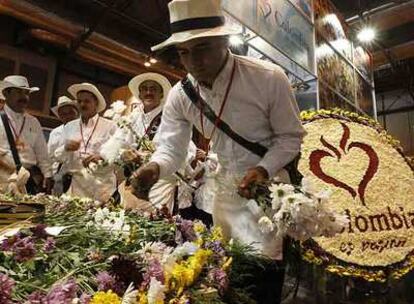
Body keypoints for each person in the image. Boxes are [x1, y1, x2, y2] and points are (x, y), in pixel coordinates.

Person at [129, 0, 305, 303]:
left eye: (202, 48)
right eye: (184, 52)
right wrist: (154, 168)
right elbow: (171, 147)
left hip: (268, 191)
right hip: (224, 193)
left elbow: (290, 138)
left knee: (263, 274)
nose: (193, 61)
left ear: (224, 40)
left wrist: (263, 169)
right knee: (227, 274)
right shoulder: (180, 95)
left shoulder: (267, 77)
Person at [54, 83, 116, 202]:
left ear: (96, 103)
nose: (82, 104)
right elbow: (57, 157)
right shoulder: (70, 126)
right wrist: (65, 148)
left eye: (87, 101)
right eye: (79, 101)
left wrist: (102, 157)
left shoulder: (111, 126)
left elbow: (120, 157)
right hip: (75, 189)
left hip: (102, 189)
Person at [0, 75, 53, 194]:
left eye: (27, 93)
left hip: (28, 180)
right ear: (6, 93)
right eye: (19, 92)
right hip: (2, 178)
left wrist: (47, 174)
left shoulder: (33, 122)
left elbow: (42, 152)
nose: (24, 97)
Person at [48, 96, 79, 195]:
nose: (68, 116)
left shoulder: (86, 130)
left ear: (77, 112)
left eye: (70, 112)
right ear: (59, 116)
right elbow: (49, 157)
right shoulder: (55, 132)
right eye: (63, 114)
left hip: (79, 179)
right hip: (59, 178)